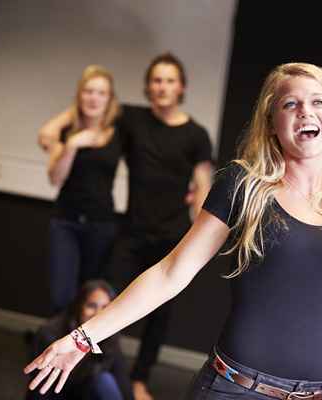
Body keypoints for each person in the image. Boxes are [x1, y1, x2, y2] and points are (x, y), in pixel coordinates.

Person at [25, 63, 322, 400]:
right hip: (237, 390)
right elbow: (171, 274)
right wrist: (82, 338)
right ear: (274, 121)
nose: (305, 111)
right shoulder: (242, 187)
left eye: (317, 102)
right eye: (290, 103)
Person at [38, 52, 213, 400]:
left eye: (170, 81)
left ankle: (138, 378)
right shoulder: (132, 120)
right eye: (157, 80)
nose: (162, 87)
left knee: (159, 315)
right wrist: (56, 135)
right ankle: (95, 368)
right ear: (149, 87)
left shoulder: (196, 135)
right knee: (106, 302)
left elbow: (203, 188)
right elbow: (76, 117)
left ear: (182, 88)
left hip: (173, 237)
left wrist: (197, 236)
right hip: (131, 233)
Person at [42, 65, 122, 313]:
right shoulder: (66, 133)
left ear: (109, 99)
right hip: (66, 221)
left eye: (101, 93)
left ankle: (84, 351)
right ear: (79, 95)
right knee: (61, 296)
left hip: (101, 224)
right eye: (88, 91)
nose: (94, 98)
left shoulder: (119, 133)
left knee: (90, 297)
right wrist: (72, 145)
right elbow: (55, 178)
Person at [26, 280, 133, 400]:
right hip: (56, 395)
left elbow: (122, 378)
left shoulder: (109, 334)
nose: (98, 314)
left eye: (105, 308)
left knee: (104, 381)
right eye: (92, 306)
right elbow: (40, 390)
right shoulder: (50, 333)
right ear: (78, 306)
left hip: (87, 392)